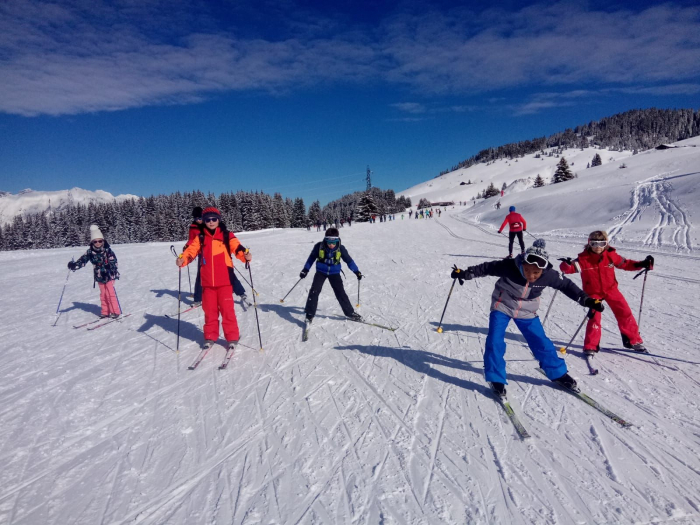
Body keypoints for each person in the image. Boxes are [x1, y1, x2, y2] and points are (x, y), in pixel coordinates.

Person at [450, 239, 602, 397]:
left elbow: (567, 286)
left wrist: (587, 300)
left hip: (527, 310)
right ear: (522, 263)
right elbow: (487, 268)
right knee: (495, 340)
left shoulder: (549, 275)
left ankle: (558, 373)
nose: (531, 276)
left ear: (543, 270)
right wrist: (465, 273)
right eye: (527, 270)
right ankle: (496, 378)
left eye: (536, 273)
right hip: (503, 304)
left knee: (540, 341)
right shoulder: (510, 266)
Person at [559, 230, 653, 353]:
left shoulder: (611, 255)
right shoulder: (583, 259)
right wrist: (565, 265)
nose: (598, 247)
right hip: (593, 292)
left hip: (611, 289)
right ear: (589, 244)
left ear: (606, 244)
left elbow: (626, 264)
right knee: (594, 318)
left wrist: (642, 264)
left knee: (624, 312)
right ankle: (591, 346)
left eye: (602, 243)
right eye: (594, 244)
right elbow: (569, 269)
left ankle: (633, 341)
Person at [176, 207, 252, 351]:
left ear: (218, 220)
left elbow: (238, 248)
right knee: (209, 311)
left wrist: (245, 256)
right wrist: (183, 260)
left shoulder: (226, 235)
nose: (211, 222)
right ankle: (210, 336)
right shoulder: (201, 237)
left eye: (214, 219)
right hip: (207, 282)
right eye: (207, 220)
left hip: (224, 281)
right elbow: (190, 251)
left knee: (227, 310)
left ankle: (232, 337)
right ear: (204, 221)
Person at [299, 227, 363, 325]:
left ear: (337, 240)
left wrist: (356, 271)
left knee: (340, 293)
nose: (331, 245)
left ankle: (350, 313)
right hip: (321, 272)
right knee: (314, 291)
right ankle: (309, 314)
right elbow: (311, 258)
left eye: (334, 242)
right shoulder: (319, 246)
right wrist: (305, 269)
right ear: (325, 239)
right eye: (329, 242)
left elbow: (349, 261)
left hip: (334, 273)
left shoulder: (340, 248)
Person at [68, 225, 121, 318]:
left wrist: (109, 269)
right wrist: (75, 265)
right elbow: (83, 260)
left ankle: (115, 311)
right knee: (103, 294)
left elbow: (114, 262)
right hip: (99, 275)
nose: (98, 243)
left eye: (100, 241)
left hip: (109, 275)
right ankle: (105, 312)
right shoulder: (90, 252)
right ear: (92, 242)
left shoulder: (108, 250)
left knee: (110, 294)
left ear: (103, 241)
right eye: (95, 241)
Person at [184, 207, 204, 306]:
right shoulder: (193, 227)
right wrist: (187, 247)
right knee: (200, 276)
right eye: (196, 218)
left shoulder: (209, 223)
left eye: (200, 217)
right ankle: (198, 299)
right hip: (200, 253)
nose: (198, 220)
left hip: (212, 252)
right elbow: (191, 240)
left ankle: (238, 291)